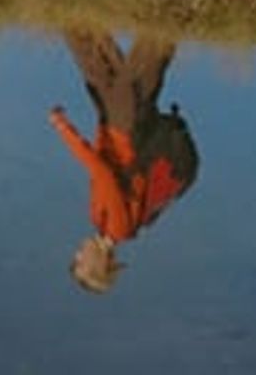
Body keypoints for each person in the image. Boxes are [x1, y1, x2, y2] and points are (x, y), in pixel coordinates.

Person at [50, 29, 199, 293]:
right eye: (80, 262)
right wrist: (64, 128)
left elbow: (103, 162)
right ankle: (177, 5)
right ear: (97, 264)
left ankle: (76, 10)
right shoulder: (117, 227)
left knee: (97, 65)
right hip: (128, 127)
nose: (77, 253)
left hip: (115, 123)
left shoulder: (100, 221)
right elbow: (101, 171)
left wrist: (102, 123)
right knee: (146, 55)